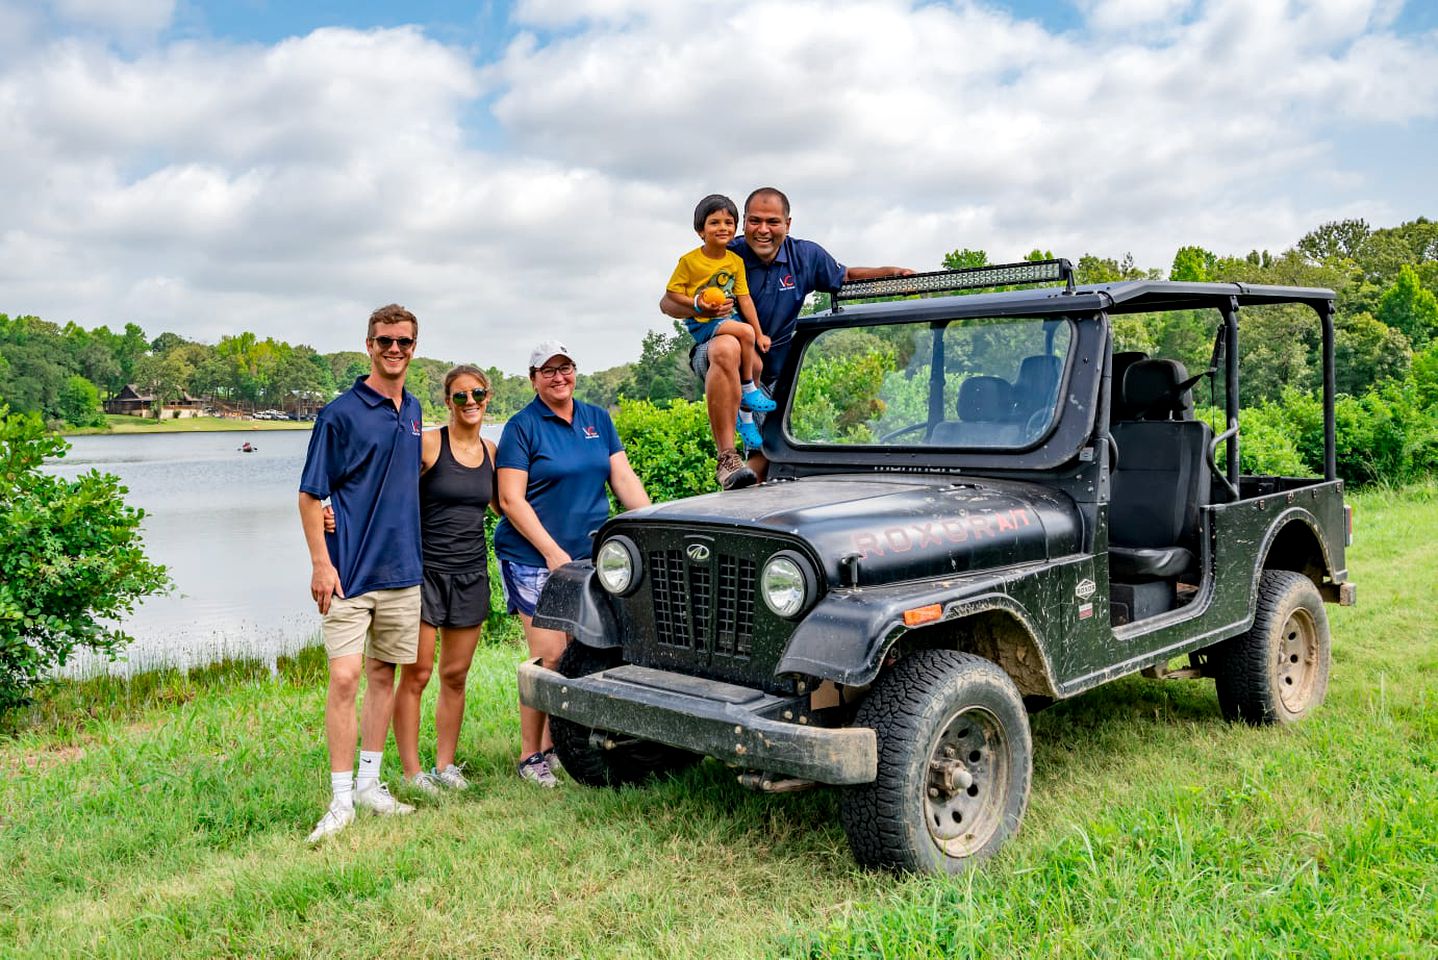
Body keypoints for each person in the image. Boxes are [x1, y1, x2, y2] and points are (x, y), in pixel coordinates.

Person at [661, 186, 914, 482]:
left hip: (769, 372)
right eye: (755, 221)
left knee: (766, 453)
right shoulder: (726, 253)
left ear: (787, 224)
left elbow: (845, 276)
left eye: (772, 222)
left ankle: (741, 488)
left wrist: (892, 274)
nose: (763, 230)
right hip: (719, 353)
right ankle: (726, 456)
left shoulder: (804, 257)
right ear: (744, 223)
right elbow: (667, 303)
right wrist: (697, 304)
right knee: (728, 346)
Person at [494, 339, 651, 787]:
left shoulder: (597, 419)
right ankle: (531, 755)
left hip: (587, 558)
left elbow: (623, 478)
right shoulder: (522, 427)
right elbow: (510, 499)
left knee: (581, 653)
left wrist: (650, 524)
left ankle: (559, 746)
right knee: (549, 656)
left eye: (565, 368)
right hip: (532, 557)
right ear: (533, 379)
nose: (559, 377)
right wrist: (550, 551)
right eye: (548, 370)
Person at [298, 303, 425, 843]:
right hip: (348, 571)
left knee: (383, 676)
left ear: (414, 348)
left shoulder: (414, 409)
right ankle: (340, 798)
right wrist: (320, 563)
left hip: (402, 570)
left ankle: (372, 785)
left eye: (403, 342)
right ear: (368, 345)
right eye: (384, 341)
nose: (394, 349)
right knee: (346, 677)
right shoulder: (339, 414)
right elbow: (310, 495)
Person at [391, 364, 500, 795]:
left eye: (477, 394)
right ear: (448, 401)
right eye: (460, 395)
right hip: (424, 574)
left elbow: (505, 506)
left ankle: (445, 765)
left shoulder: (491, 451)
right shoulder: (429, 444)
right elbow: (389, 490)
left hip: (471, 574)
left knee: (455, 675)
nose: (470, 402)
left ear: (488, 397)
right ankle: (412, 772)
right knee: (417, 674)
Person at [666, 194, 776, 488]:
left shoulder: (735, 260)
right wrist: (697, 305)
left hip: (738, 328)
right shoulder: (690, 261)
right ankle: (745, 402)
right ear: (700, 230)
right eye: (714, 223)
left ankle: (746, 416)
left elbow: (744, 298)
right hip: (706, 325)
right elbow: (669, 298)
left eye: (728, 223)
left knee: (755, 361)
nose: (723, 228)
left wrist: (759, 333)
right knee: (738, 340)